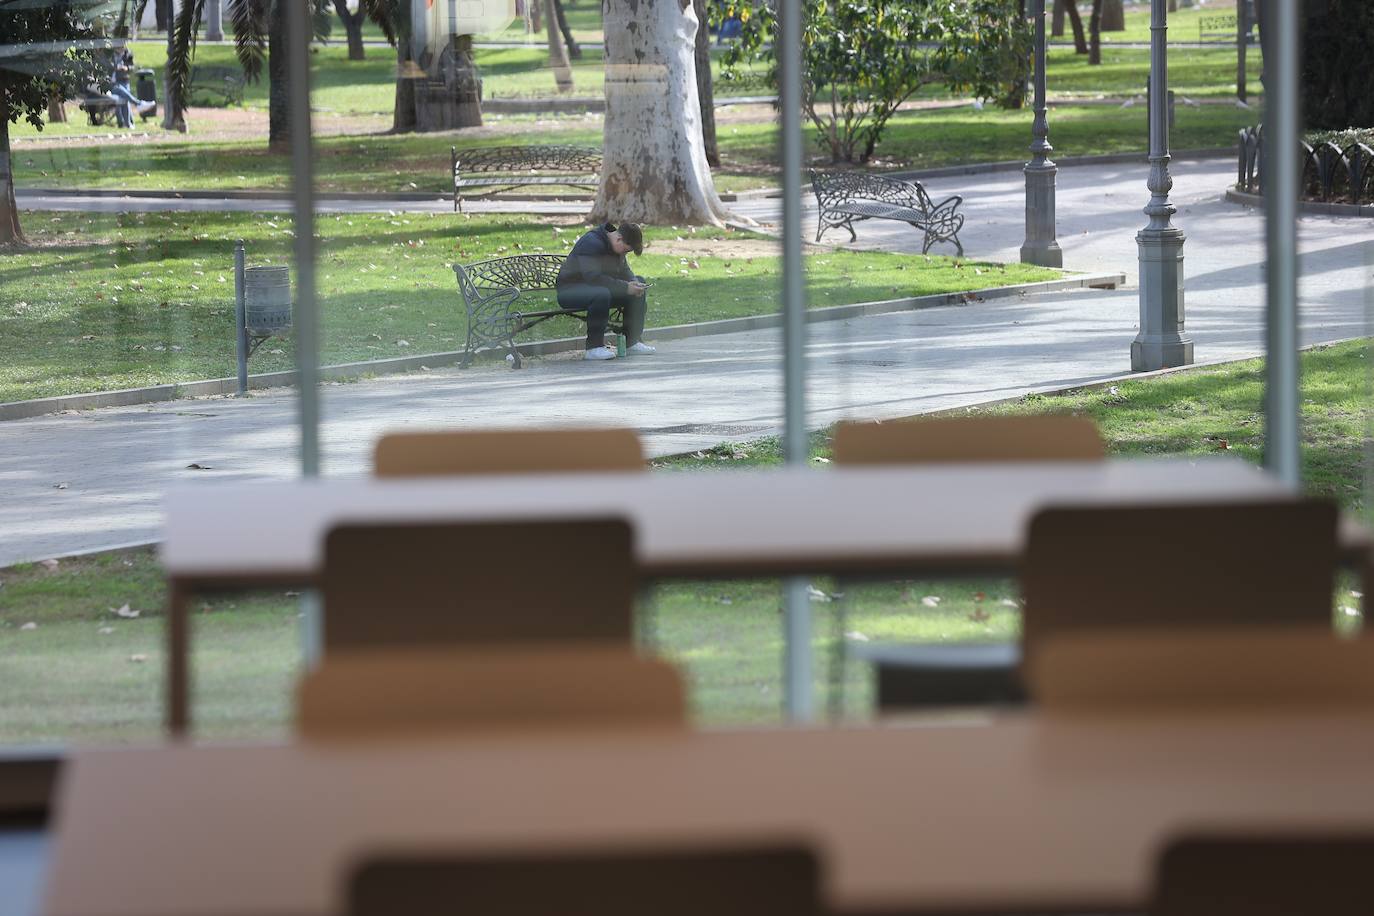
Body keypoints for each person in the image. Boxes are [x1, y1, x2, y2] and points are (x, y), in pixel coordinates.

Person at [555, 222, 656, 361]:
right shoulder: (591, 242)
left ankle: (632, 343)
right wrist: (626, 287)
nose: (625, 254)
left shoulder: (615, 245)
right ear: (619, 238)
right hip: (570, 290)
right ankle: (593, 348)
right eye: (626, 250)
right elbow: (593, 278)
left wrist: (634, 282)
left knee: (639, 282)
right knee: (601, 293)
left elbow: (624, 271)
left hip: (598, 289)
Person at [108, 49, 155, 128]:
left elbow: (132, 66)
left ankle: (128, 123)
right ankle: (138, 104)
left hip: (124, 80)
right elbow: (108, 66)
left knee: (125, 100)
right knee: (120, 98)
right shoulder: (110, 54)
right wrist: (116, 67)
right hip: (112, 83)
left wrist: (127, 68)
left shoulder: (128, 53)